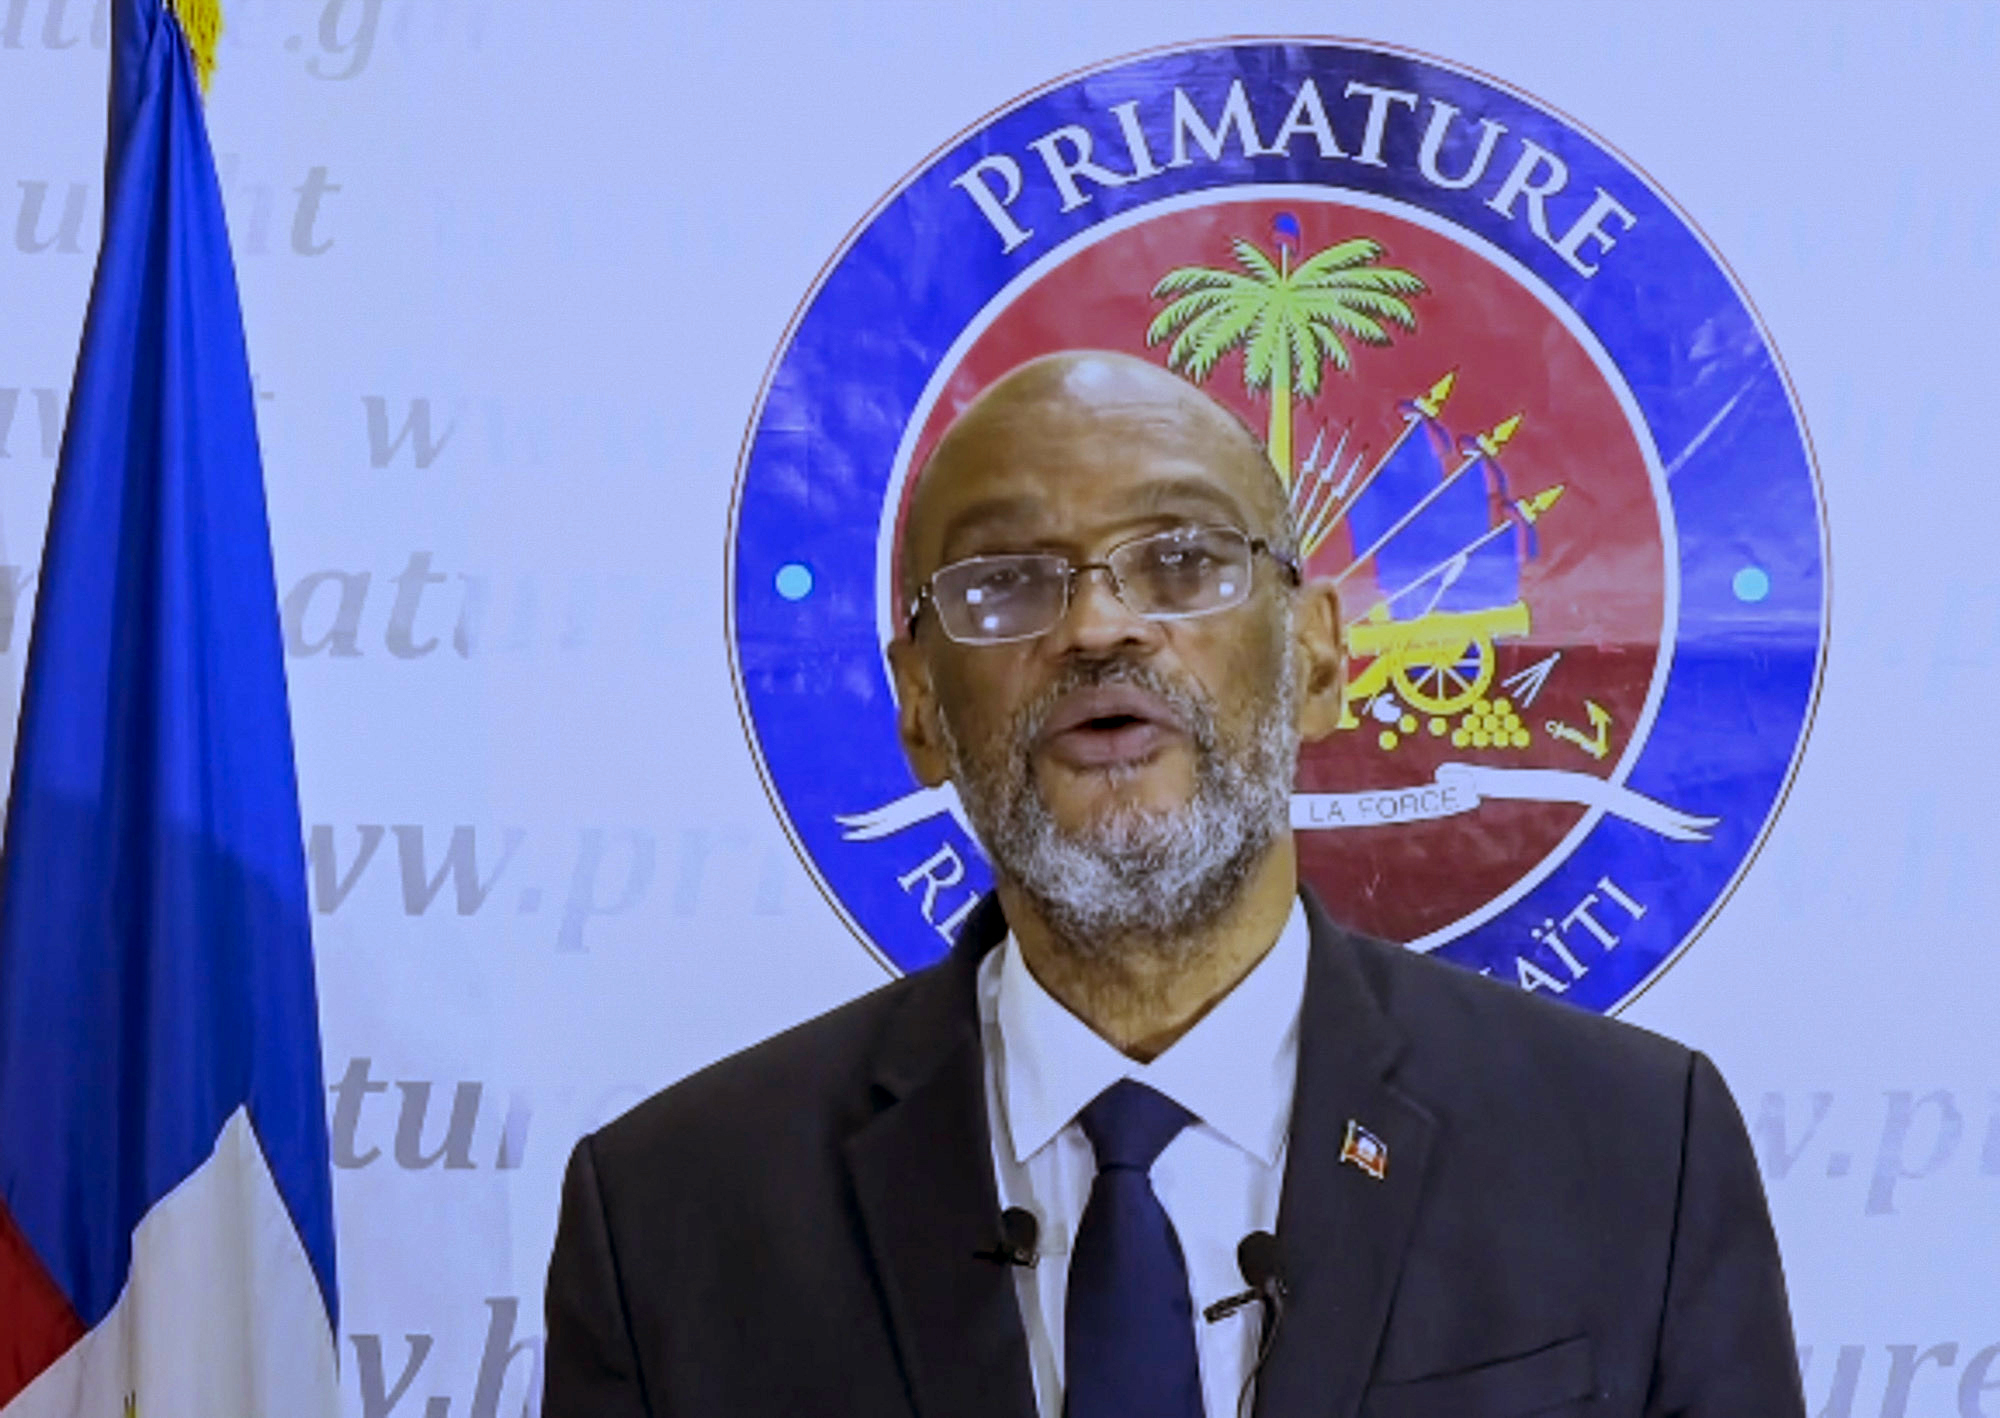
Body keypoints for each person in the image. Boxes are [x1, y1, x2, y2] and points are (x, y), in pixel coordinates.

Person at [542, 351, 1805, 1418]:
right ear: (918, 705)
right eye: (1004, 584)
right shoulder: (671, 1214)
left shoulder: (1635, 1152)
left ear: (1315, 658)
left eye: (1182, 561)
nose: (1097, 628)